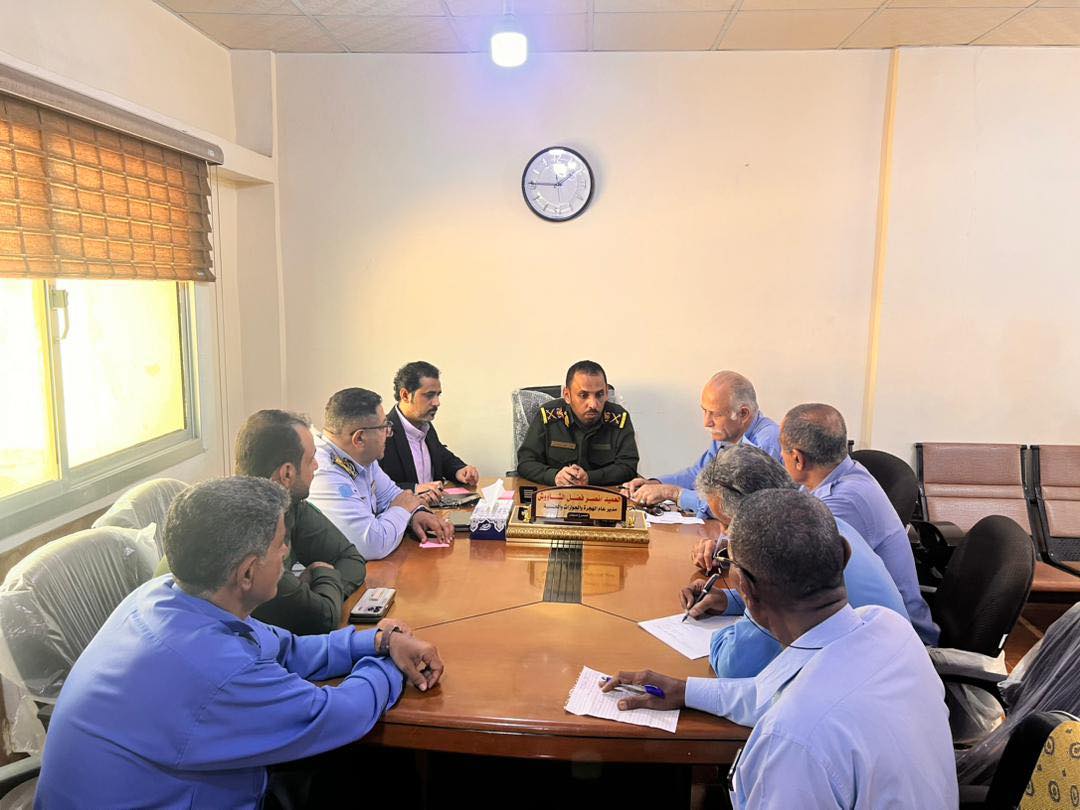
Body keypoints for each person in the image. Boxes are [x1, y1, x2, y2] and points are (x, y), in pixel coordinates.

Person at [36, 477, 445, 809]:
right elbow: (338, 716)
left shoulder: (163, 595)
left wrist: (379, 641)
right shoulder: (214, 668)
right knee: (379, 772)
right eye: (281, 543)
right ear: (248, 573)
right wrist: (389, 665)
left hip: (180, 784)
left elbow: (286, 649)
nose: (287, 553)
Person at [603, 489, 958, 809]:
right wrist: (685, 692)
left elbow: (793, 712)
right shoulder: (888, 627)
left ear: (746, 591)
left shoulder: (792, 739)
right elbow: (769, 693)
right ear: (844, 556)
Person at [680, 444, 909, 678]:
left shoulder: (778, 550)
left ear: (752, 515)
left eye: (727, 524)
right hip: (901, 661)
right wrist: (727, 601)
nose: (725, 535)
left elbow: (735, 665)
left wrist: (720, 637)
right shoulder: (820, 521)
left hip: (870, 679)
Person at [155, 409, 365, 634]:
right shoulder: (252, 539)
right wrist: (325, 576)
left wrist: (314, 592)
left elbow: (350, 559)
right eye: (311, 459)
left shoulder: (289, 506)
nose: (317, 466)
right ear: (287, 474)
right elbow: (322, 618)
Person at [779, 403, 939, 644]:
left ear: (797, 459)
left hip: (899, 642)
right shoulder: (836, 476)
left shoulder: (844, 503)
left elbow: (791, 575)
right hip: (868, 625)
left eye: (782, 451)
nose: (780, 458)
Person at [308, 388, 454, 560]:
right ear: (359, 438)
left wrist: (417, 514)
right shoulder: (323, 472)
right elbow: (372, 544)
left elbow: (394, 496)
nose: (389, 433)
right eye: (384, 427)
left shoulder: (361, 458)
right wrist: (402, 509)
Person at [624, 371, 780, 518]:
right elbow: (699, 474)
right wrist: (655, 484)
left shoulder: (766, 442)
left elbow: (739, 507)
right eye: (705, 411)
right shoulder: (727, 433)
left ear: (743, 414)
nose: (706, 422)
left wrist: (673, 493)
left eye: (716, 414)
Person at [516, 360, 639, 486]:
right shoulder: (548, 416)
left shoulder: (618, 419)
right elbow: (525, 462)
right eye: (583, 395)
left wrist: (590, 478)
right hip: (556, 493)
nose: (593, 404)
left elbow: (628, 467)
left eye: (599, 394)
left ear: (607, 393)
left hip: (602, 493)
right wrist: (554, 476)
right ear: (567, 395)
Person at [379, 361, 480, 505]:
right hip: (404, 514)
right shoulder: (381, 433)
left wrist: (459, 470)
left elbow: (440, 455)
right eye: (429, 395)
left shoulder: (425, 425)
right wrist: (415, 488)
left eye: (438, 395)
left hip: (435, 511)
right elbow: (373, 487)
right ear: (405, 395)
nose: (437, 402)